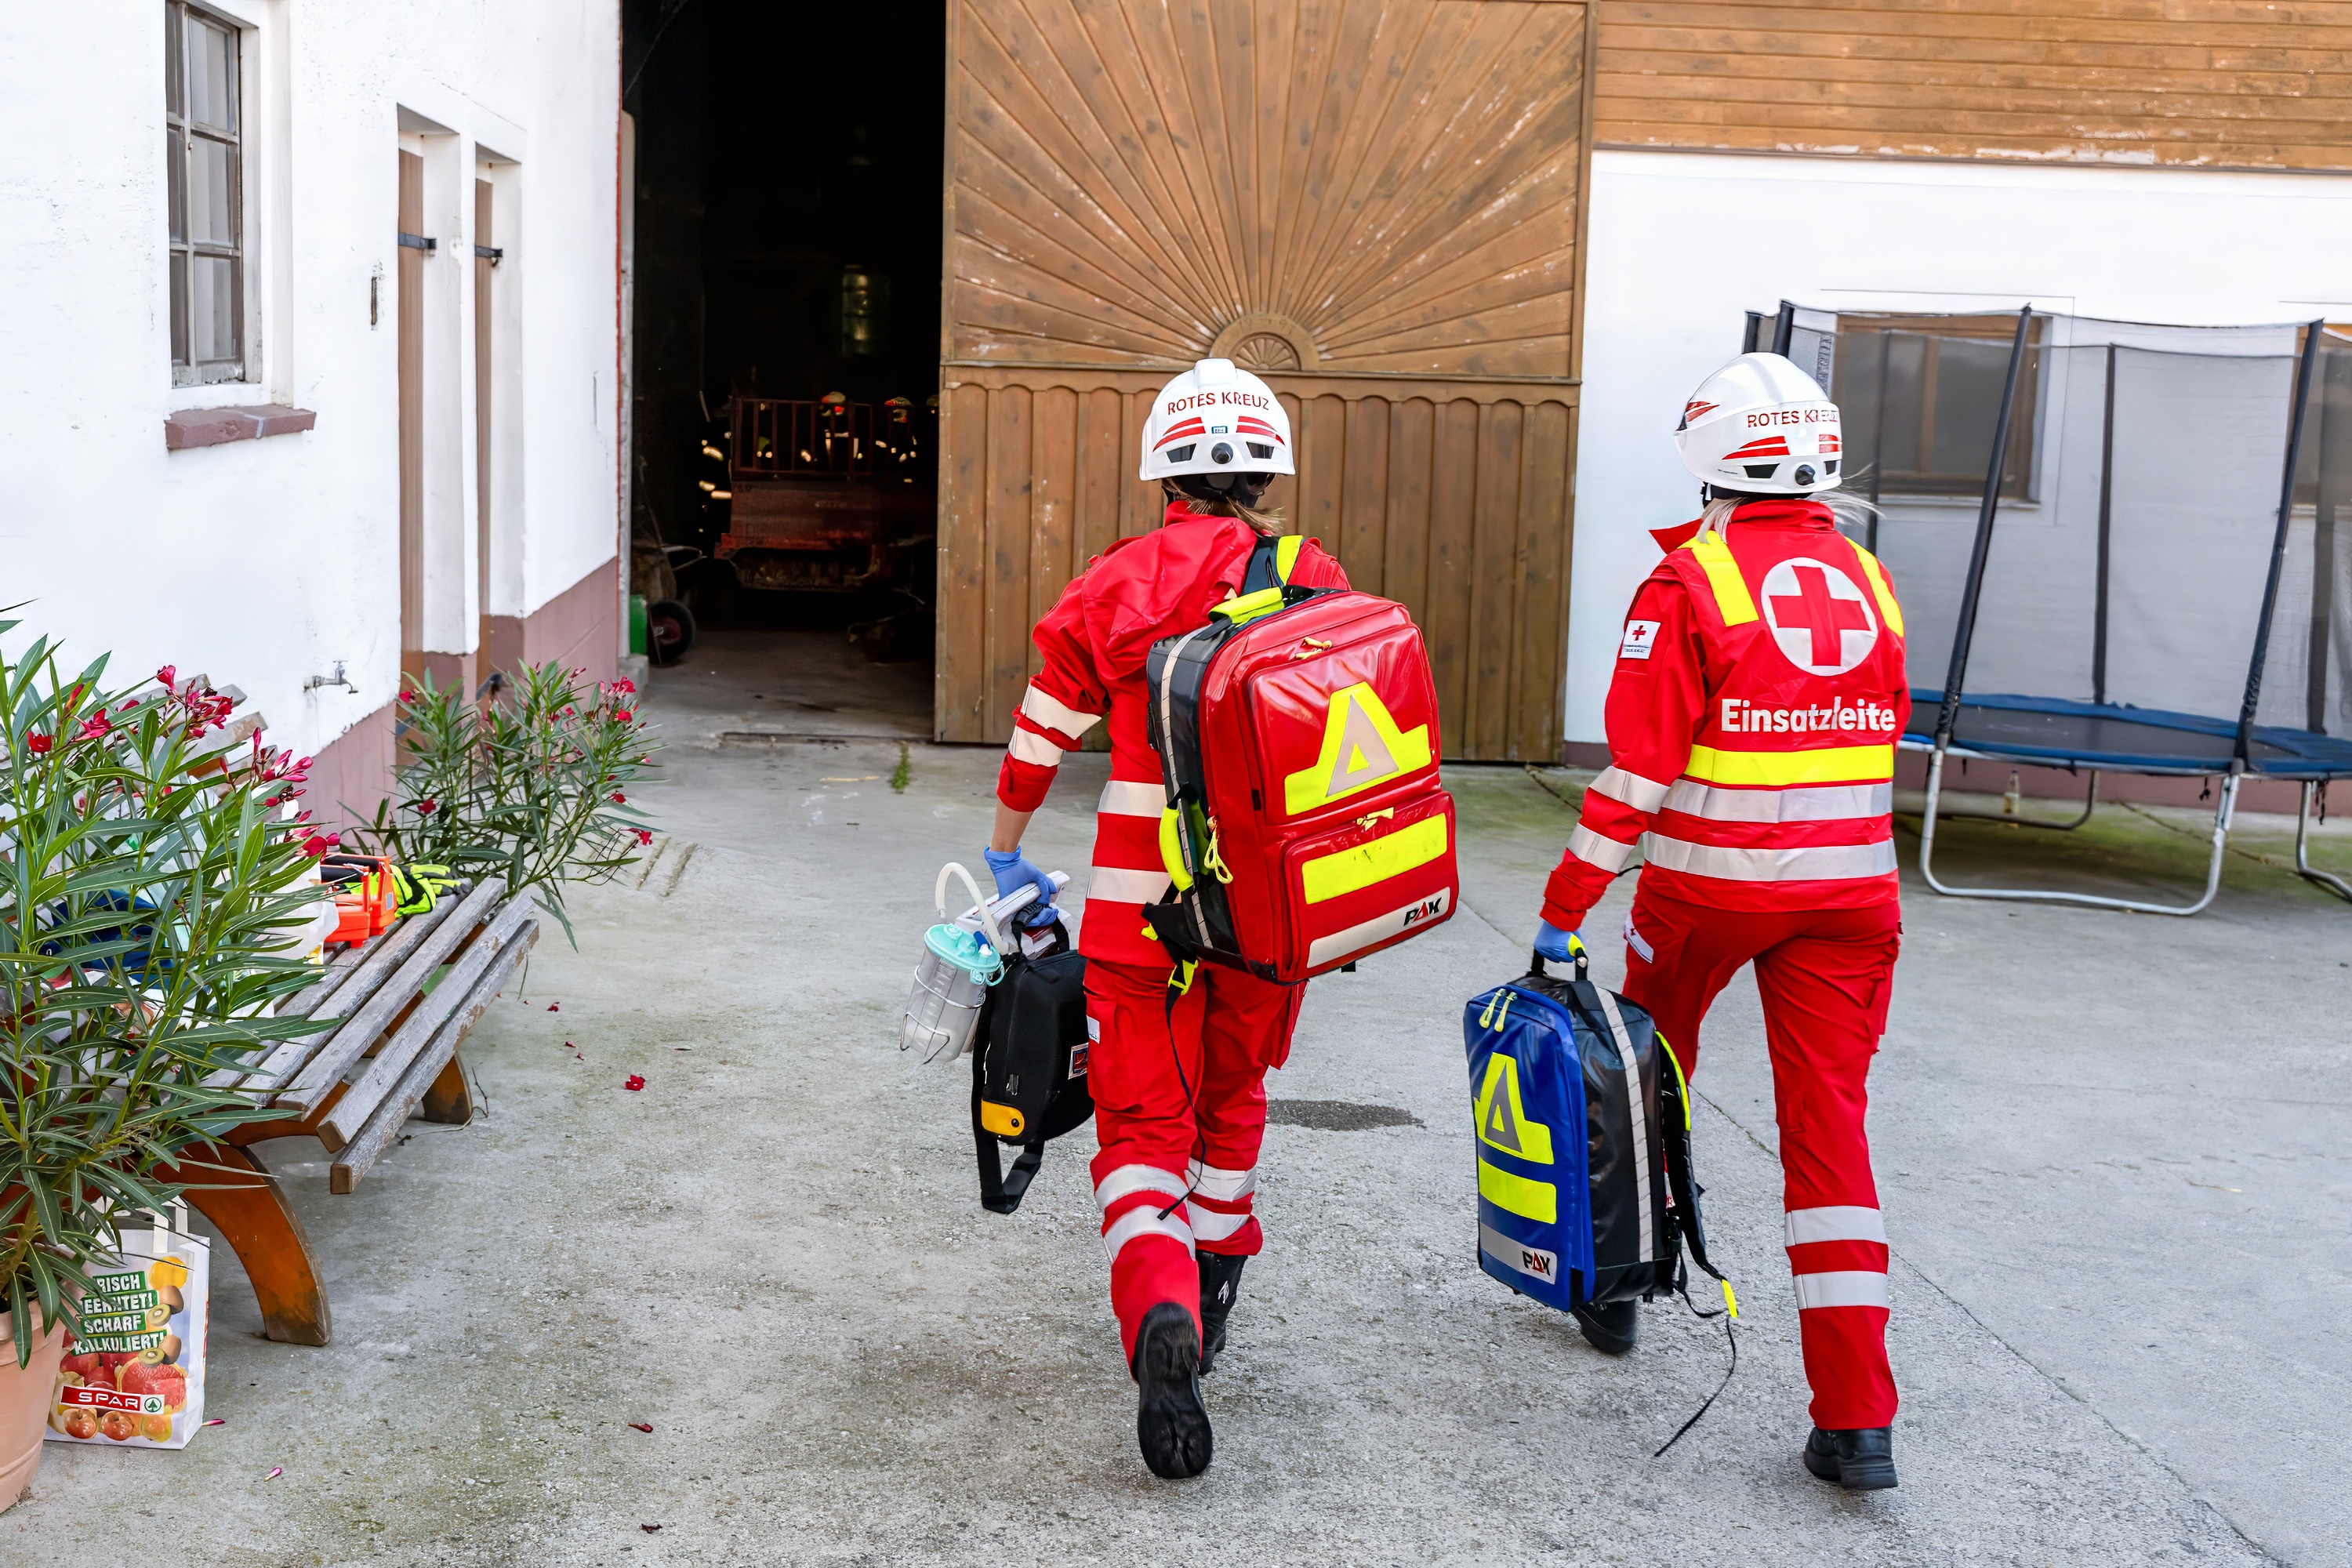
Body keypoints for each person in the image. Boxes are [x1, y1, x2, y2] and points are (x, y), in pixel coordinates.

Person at [1533, 352, 1909, 1491]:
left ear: (1706, 457)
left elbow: (1638, 777)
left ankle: (1617, 1295)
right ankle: (1856, 1422)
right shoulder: (1868, 577)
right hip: (1851, 898)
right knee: (1831, 1138)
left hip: (1708, 889)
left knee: (1646, 1090)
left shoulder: (1691, 584)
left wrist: (1563, 910)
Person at [985, 358, 1348, 1479]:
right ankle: (1218, 1288)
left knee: (1142, 1130)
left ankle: (1157, 1312)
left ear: (1165, 475)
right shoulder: (1315, 576)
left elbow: (1039, 737)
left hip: (1135, 904)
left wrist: (1004, 852)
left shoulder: (1117, 582)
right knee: (1233, 1094)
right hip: (1264, 907)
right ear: (1268, 469)